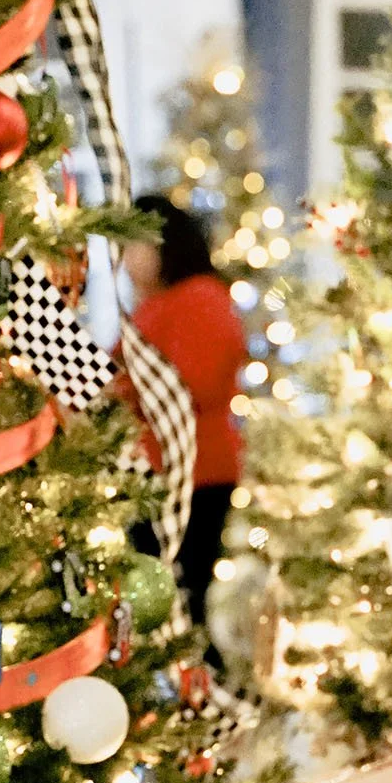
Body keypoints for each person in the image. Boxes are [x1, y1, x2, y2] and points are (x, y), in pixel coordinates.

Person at [118, 195, 248, 631]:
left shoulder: (199, 298)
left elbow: (191, 383)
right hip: (162, 472)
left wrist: (116, 387)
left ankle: (195, 690)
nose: (126, 260)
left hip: (193, 473)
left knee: (180, 601)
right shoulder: (157, 304)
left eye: (135, 246)